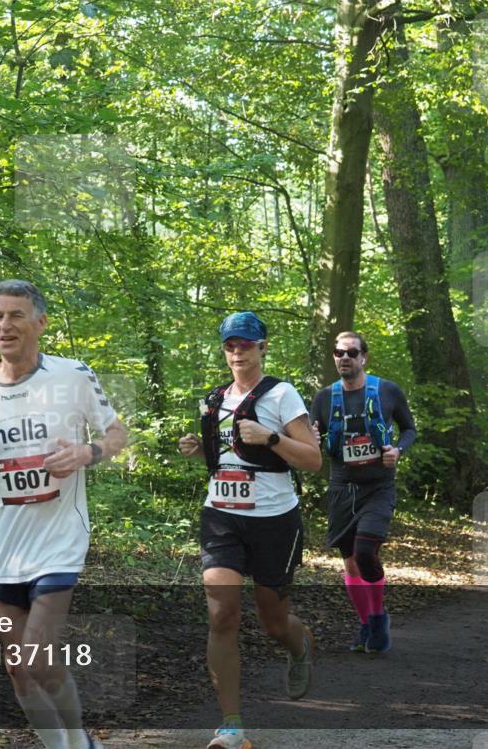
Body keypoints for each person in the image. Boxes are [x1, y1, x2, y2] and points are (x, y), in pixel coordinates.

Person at [0, 279, 127, 749]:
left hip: (58, 538)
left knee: (39, 657)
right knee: (18, 670)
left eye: (16, 315)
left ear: (40, 323)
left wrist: (88, 452)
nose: (4, 325)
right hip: (3, 544)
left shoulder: (72, 375)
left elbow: (116, 432)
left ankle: (80, 742)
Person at [179, 311, 321, 749]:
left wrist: (271, 438)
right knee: (221, 614)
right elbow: (228, 450)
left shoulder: (282, 395)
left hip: (274, 520)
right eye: (230, 345)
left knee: (273, 622)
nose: (237, 351)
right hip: (221, 516)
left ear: (262, 347)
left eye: (245, 343)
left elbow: (313, 459)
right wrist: (198, 446)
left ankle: (298, 645)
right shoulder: (214, 398)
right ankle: (232, 726)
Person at [309, 331, 417, 655]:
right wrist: (310, 437)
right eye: (339, 352)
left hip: (378, 486)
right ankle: (368, 623)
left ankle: (378, 616)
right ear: (334, 357)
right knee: (351, 562)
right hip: (342, 487)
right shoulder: (323, 398)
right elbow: (313, 437)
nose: (345, 357)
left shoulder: (387, 390)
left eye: (352, 353)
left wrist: (397, 450)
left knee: (366, 552)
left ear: (363, 357)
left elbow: (409, 429)